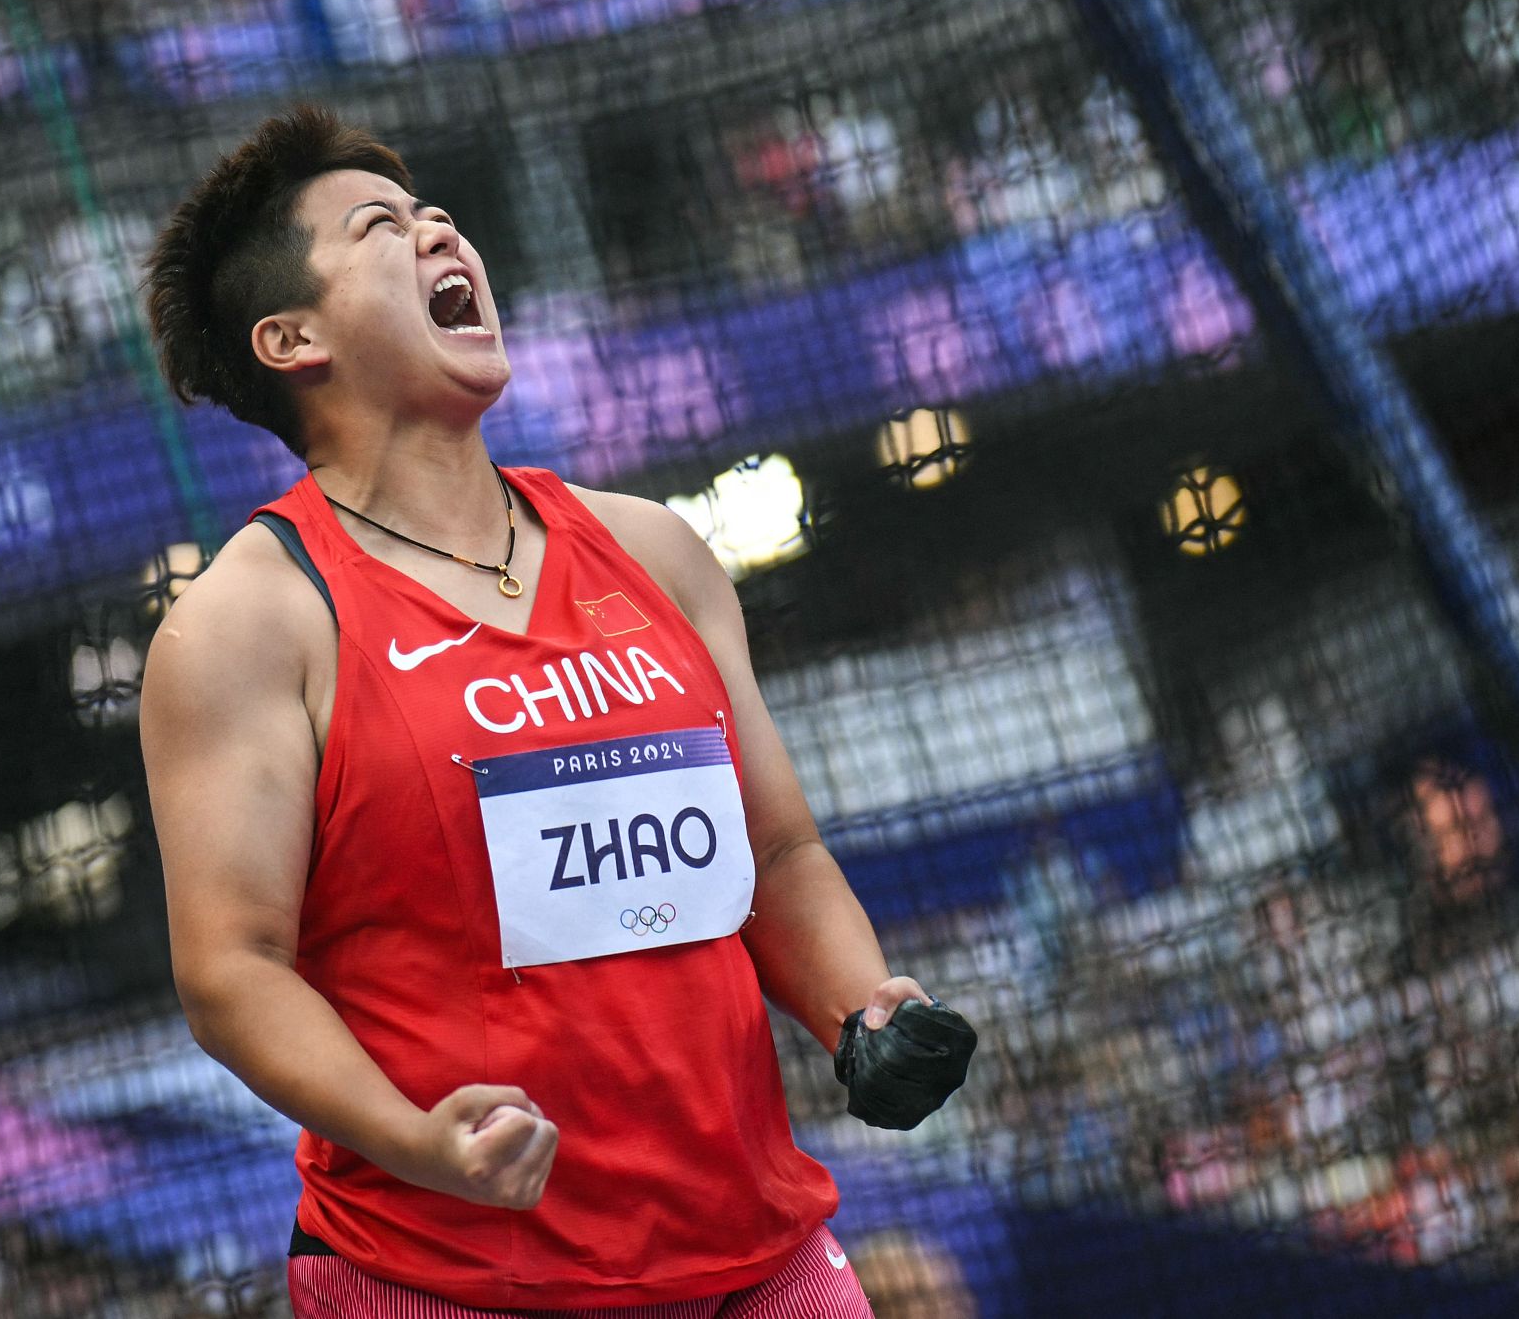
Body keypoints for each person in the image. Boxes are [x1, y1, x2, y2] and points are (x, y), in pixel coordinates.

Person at [138, 106, 974, 1316]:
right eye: (382, 227)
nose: (442, 237)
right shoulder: (249, 624)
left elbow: (777, 853)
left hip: (762, 1254)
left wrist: (863, 1006)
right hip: (454, 1277)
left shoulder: (654, 549)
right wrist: (420, 1143)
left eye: (439, 218)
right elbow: (230, 970)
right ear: (290, 336)